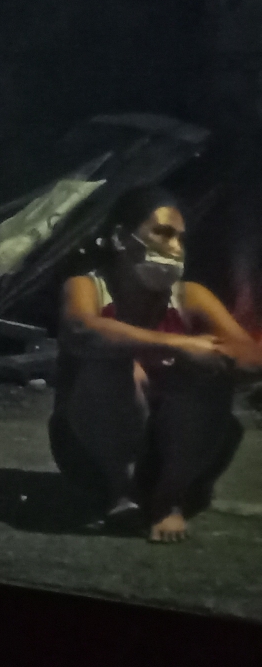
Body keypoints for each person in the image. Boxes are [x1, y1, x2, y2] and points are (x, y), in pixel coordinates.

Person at [51, 187, 261, 543]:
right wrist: (179, 344)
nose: (174, 247)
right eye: (162, 233)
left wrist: (215, 356)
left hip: (179, 453)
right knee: (114, 361)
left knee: (207, 369)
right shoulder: (87, 287)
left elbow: (251, 355)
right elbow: (81, 328)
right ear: (121, 238)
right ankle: (121, 491)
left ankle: (168, 498)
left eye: (180, 238)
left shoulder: (190, 296)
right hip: (93, 453)